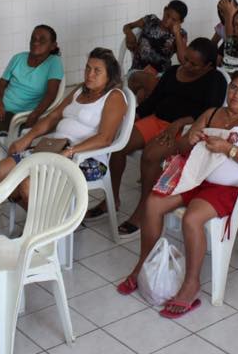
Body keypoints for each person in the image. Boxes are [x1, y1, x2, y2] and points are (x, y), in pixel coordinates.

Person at [115, 70, 238, 318]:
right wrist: (190, 138)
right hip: (198, 177)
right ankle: (143, 265)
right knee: (153, 204)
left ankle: (191, 283)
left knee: (191, 218)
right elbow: (180, 148)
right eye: (234, 88)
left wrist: (229, 149)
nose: (236, 95)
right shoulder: (212, 113)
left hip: (231, 189)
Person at [88, 38, 227, 235]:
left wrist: (178, 124)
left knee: (151, 155)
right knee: (119, 144)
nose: (186, 65)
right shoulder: (173, 72)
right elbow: (153, 101)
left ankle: (144, 211)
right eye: (186, 59)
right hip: (157, 120)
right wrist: (133, 117)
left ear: (208, 66)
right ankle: (112, 199)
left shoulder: (216, 80)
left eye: (193, 64)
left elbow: (209, 113)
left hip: (186, 129)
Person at [0, 48, 127, 200]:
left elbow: (105, 139)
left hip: (86, 159)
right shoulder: (81, 90)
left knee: (28, 186)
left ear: (109, 75)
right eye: (88, 68)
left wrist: (71, 151)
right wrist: (28, 138)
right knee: (1, 172)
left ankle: (48, 213)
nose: (89, 74)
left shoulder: (114, 97)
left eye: (97, 71)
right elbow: (54, 116)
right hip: (55, 149)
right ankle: (46, 214)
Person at [0, 24, 63, 134]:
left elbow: (51, 94)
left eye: (42, 40)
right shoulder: (18, 58)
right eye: (33, 39)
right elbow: (1, 83)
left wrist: (35, 114)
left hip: (16, 114)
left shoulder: (54, 63)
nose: (35, 42)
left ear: (53, 46)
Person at [123, 0, 189, 103]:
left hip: (161, 75)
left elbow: (184, 61)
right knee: (150, 81)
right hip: (137, 72)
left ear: (180, 22)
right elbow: (127, 26)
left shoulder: (181, 34)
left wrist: (177, 34)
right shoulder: (150, 20)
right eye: (167, 15)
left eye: (174, 20)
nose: (168, 20)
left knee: (142, 94)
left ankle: (145, 112)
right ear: (164, 10)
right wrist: (129, 34)